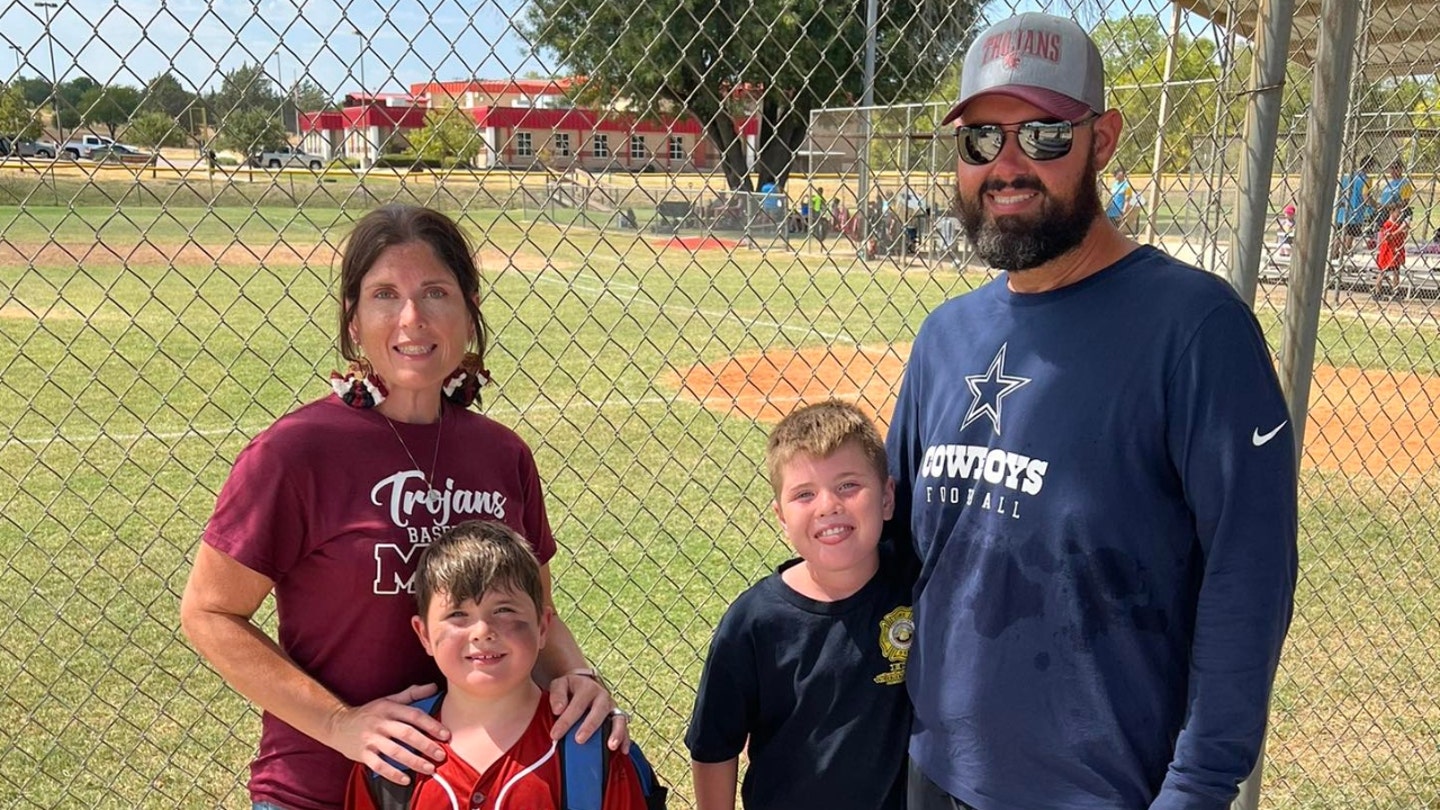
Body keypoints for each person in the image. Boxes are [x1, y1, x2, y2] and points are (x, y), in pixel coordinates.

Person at [891, 13, 1298, 810]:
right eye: (980, 140)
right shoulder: (946, 337)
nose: (1006, 165)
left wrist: (1199, 787)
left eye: (1042, 135)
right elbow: (901, 549)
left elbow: (1248, 580)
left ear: (1102, 139)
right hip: (936, 775)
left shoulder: (1196, 330)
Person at [180, 204, 625, 810]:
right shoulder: (295, 452)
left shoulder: (502, 454)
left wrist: (580, 677)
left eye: (435, 292)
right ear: (354, 320)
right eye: (385, 294)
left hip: (466, 786)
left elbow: (536, 608)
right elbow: (208, 613)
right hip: (320, 787)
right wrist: (342, 724)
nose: (412, 318)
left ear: (469, 312)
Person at [687, 400, 915, 810]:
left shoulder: (916, 590)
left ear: (886, 497)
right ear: (780, 516)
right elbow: (714, 745)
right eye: (804, 494)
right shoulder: (754, 622)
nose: (828, 505)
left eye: (848, 485)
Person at [343, 520, 649, 810]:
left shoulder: (590, 747)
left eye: (503, 610)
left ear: (543, 627)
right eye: (457, 615)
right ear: (423, 634)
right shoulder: (392, 755)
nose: (482, 631)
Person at [1333, 157, 1374, 256]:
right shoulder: (1366, 180)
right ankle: (1344, 254)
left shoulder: (1347, 177)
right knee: (1350, 235)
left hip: (1342, 212)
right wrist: (1375, 205)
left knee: (1339, 235)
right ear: (1370, 167)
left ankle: (1334, 253)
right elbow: (1366, 197)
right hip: (1355, 213)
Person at [1374, 205, 1409, 297]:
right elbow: (1387, 237)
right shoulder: (1387, 224)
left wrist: (1405, 230)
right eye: (1398, 212)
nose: (1399, 215)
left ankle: (1395, 292)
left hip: (1396, 252)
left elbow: (1403, 238)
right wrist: (1400, 229)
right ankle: (1377, 292)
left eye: (1400, 213)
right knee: (1382, 272)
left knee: (1396, 272)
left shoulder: (1398, 225)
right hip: (1387, 252)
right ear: (1392, 212)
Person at [1104, 167, 1136, 233]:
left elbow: (1128, 199)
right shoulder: (1114, 184)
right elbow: (1111, 197)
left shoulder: (1127, 186)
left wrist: (1123, 211)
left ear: (1121, 174)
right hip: (1110, 210)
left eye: (1116, 173)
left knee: (1114, 231)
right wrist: (1106, 207)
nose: (1114, 175)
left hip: (1118, 211)